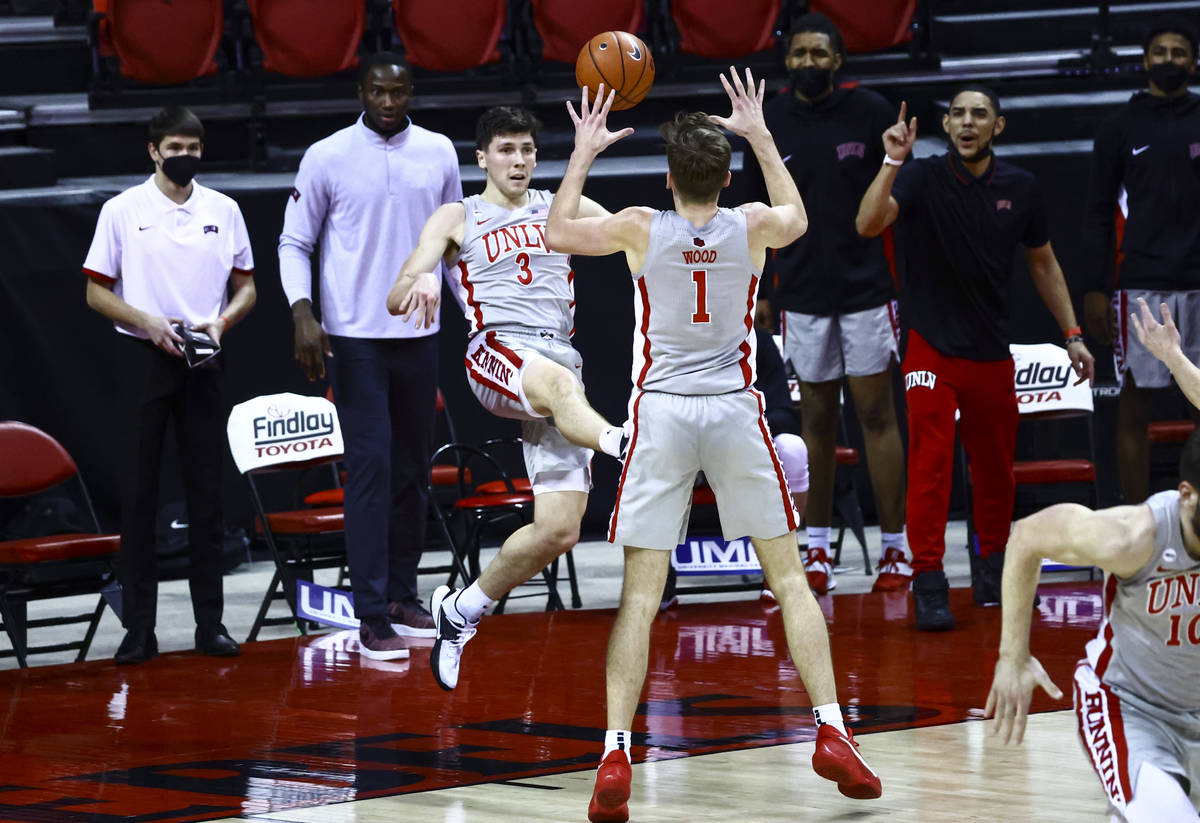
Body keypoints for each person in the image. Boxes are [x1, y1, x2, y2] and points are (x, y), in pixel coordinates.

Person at [546, 70, 882, 823]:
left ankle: (614, 751)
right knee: (790, 580)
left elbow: (558, 231)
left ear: (668, 179)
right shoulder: (754, 224)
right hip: (734, 409)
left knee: (639, 595)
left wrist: (582, 151)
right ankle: (832, 726)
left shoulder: (639, 224)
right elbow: (799, 210)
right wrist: (760, 131)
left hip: (662, 411)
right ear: (727, 177)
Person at [383, 105, 627, 691]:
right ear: (482, 158)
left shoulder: (556, 208)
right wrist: (417, 279)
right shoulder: (457, 214)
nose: (518, 161)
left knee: (559, 530)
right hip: (495, 350)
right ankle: (629, 443)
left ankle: (463, 609)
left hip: (557, 357)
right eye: (506, 150)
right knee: (561, 389)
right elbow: (395, 296)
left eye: (526, 150)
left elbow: (632, 234)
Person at [856, 86, 1096, 631]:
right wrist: (893, 159)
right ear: (946, 123)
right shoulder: (919, 177)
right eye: (958, 114)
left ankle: (993, 573)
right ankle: (930, 581)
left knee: (994, 473)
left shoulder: (1021, 187)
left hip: (991, 350)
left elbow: (1044, 263)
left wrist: (1073, 332)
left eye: (979, 115)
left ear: (998, 127)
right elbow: (867, 224)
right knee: (932, 467)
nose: (967, 123)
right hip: (930, 349)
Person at [278, 52, 462, 660]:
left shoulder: (438, 151)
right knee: (372, 470)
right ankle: (370, 613)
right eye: (379, 91)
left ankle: (405, 596)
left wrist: (479, 317)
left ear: (412, 92)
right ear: (362, 90)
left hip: (418, 333)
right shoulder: (326, 155)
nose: (389, 101)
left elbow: (455, 242)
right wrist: (303, 311)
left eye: (400, 91)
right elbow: (294, 240)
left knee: (412, 469)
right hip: (353, 337)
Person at [985, 343, 1200, 820]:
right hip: (1133, 708)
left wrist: (1176, 361)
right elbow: (1026, 537)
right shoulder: (1134, 535)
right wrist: (1012, 656)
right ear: (1186, 495)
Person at [82, 106, 256, 664]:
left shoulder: (223, 209)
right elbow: (95, 292)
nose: (185, 157)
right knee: (139, 497)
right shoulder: (123, 209)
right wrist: (147, 320)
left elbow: (247, 286)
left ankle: (211, 624)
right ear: (153, 150)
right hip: (143, 356)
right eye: (174, 147)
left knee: (208, 495)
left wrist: (221, 321)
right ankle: (139, 630)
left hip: (203, 358)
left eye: (193, 148)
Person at [742, 12, 907, 595]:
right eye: (799, 54)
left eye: (819, 54)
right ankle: (815, 552)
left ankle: (896, 550)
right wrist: (760, 289)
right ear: (786, 61)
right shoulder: (773, 121)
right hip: (801, 293)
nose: (807, 62)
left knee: (876, 416)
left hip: (865, 290)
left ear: (837, 61)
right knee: (815, 419)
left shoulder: (873, 112)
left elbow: (892, 198)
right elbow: (752, 213)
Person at [1082, 15, 1200, 506]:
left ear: (1193, 62)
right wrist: (1094, 288)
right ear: (1145, 61)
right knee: (1133, 407)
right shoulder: (1119, 126)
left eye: (1178, 52)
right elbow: (1096, 214)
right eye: (1160, 52)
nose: (1168, 60)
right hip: (1140, 285)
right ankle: (1137, 519)